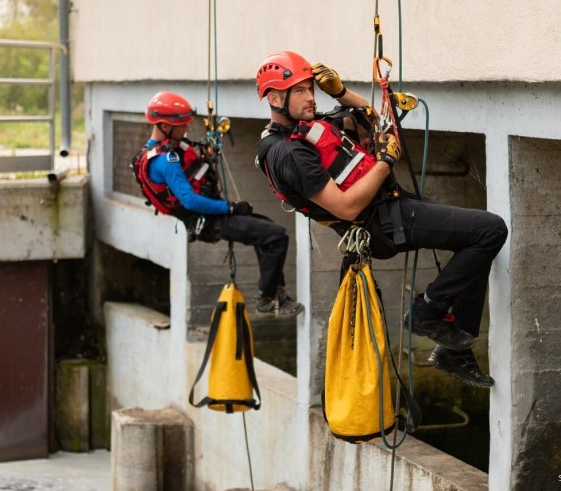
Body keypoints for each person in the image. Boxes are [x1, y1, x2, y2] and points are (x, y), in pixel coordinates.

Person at [254, 52, 508, 388]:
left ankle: (454, 348)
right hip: (382, 225)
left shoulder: (310, 128)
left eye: (311, 88)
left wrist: (341, 92)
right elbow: (345, 207)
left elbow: (375, 123)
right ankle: (428, 312)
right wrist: (385, 161)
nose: (310, 96)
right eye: (299, 91)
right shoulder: (288, 154)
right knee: (489, 230)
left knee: (475, 241)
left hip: (392, 208)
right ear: (275, 99)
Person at [133, 91, 303, 317]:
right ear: (165, 126)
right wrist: (230, 208)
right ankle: (267, 298)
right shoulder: (166, 160)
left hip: (209, 217)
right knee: (277, 236)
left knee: (267, 230)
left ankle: (273, 294)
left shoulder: (153, 152)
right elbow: (189, 200)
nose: (186, 129)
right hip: (208, 220)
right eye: (182, 125)